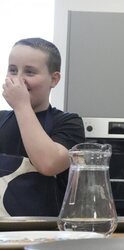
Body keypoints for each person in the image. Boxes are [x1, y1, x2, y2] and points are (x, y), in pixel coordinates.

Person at [0, 37, 85, 216]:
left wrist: (22, 105)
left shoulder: (69, 123)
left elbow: (49, 164)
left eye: (29, 72)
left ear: (54, 79)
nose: (18, 79)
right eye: (12, 70)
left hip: (46, 234)